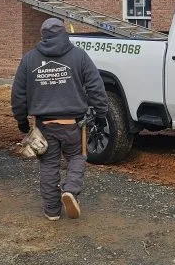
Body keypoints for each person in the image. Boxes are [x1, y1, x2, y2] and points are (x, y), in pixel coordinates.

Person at [11, 18, 108, 221]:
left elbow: (18, 94)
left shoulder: (29, 59)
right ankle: (70, 190)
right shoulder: (79, 56)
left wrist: (22, 121)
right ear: (64, 33)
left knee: (49, 165)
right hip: (73, 124)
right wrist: (101, 114)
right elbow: (96, 87)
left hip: (44, 126)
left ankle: (52, 211)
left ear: (43, 36)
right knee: (77, 157)